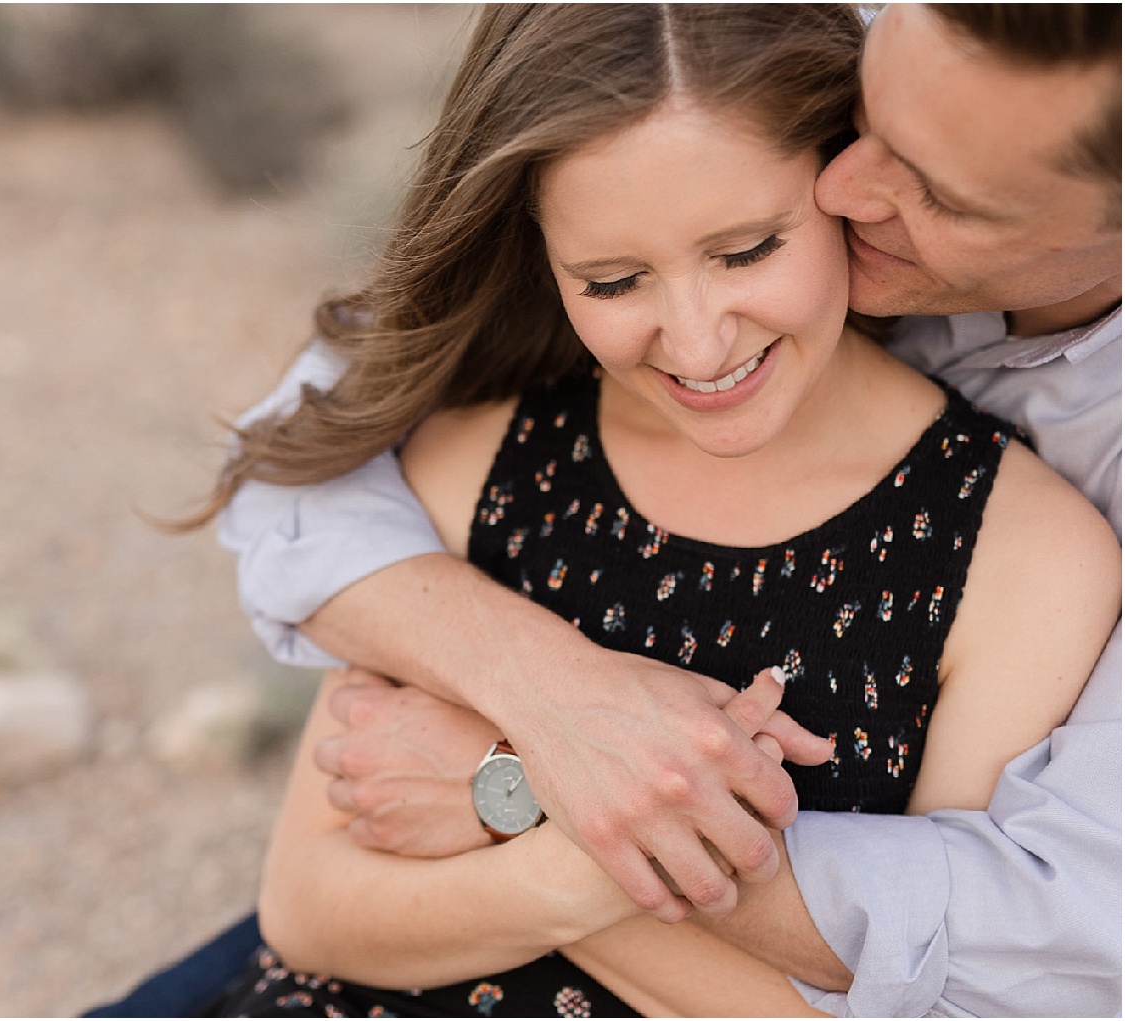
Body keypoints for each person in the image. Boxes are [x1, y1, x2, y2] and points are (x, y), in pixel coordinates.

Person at [191, 4, 1119, 1017]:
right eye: (613, 278)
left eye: (748, 249)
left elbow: (1012, 965)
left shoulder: (1026, 554)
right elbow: (307, 900)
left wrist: (549, 809)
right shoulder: (490, 432)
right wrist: (551, 714)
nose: (695, 341)